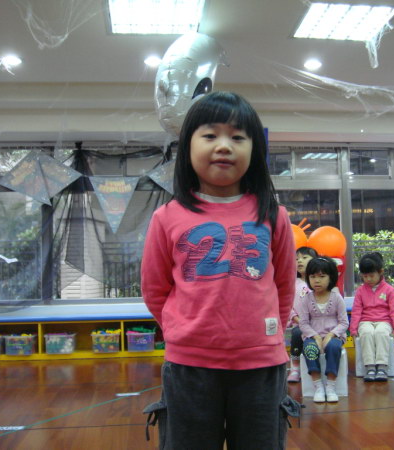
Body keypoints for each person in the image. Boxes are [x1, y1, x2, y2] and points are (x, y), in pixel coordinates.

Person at [140, 91, 298, 448]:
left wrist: (266, 334)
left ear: (255, 149)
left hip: (261, 363)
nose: (224, 146)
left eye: (238, 137)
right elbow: (155, 289)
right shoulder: (167, 217)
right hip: (189, 365)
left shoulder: (274, 215)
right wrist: (183, 331)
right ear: (188, 146)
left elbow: (284, 286)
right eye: (210, 135)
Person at [297, 256, 349, 403]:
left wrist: (331, 335)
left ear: (331, 277)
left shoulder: (337, 298)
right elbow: (303, 323)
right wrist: (315, 337)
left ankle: (331, 386)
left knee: (333, 347)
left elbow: (344, 322)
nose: (317, 281)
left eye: (322, 276)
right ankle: (318, 386)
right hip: (312, 336)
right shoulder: (306, 299)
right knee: (309, 349)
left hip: (334, 336)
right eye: (313, 277)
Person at [349, 252, 394, 382]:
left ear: (380, 272)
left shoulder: (389, 290)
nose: (368, 279)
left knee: (381, 332)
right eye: (365, 276)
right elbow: (356, 311)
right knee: (366, 333)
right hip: (365, 321)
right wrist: (353, 330)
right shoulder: (360, 291)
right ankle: (370, 367)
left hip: (384, 321)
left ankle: (382, 366)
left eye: (371, 276)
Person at [287, 246, 319, 383]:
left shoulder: (320, 282)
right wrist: (297, 319)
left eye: (304, 258)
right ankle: (295, 367)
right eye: (296, 259)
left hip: (320, 323)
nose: (299, 261)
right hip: (300, 323)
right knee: (297, 333)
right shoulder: (292, 283)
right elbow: (288, 305)